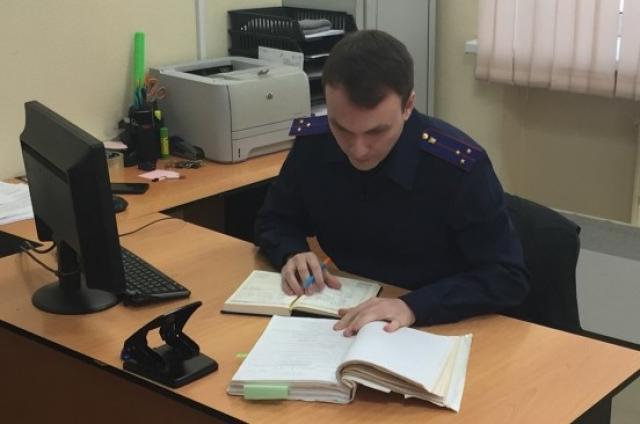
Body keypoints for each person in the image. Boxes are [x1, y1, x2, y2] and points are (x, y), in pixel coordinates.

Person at [255, 30, 529, 336]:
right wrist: (292, 253)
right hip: (344, 315)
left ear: (408, 105)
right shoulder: (314, 144)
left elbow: (506, 276)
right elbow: (275, 220)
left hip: (436, 325)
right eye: (341, 128)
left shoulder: (456, 167)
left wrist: (412, 306)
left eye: (375, 132)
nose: (358, 150)